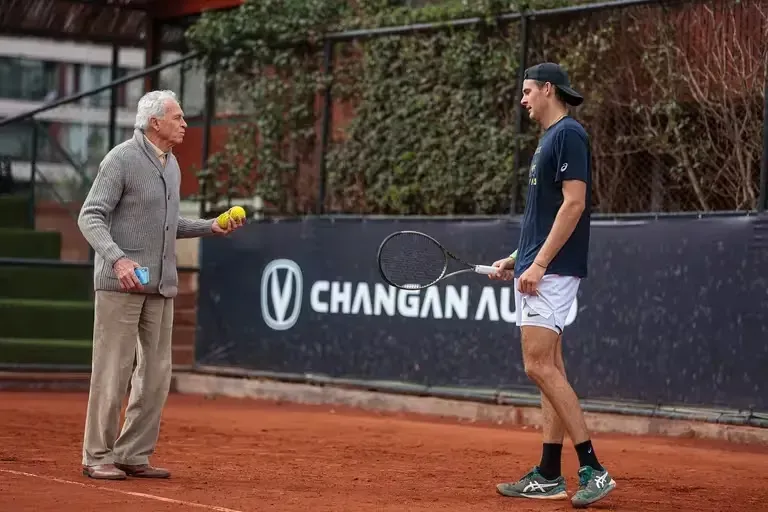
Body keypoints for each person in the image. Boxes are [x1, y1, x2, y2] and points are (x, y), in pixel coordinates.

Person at [77, 90, 244, 480]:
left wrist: (210, 226)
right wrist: (117, 260)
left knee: (155, 375)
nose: (185, 124)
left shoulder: (171, 165)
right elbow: (90, 215)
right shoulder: (120, 159)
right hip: (120, 284)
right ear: (155, 122)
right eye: (178, 117)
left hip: (160, 286)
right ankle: (96, 455)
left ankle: (132, 453)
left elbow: (170, 226)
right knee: (113, 372)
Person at [489, 63, 616, 508]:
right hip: (543, 267)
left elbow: (574, 204)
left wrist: (539, 264)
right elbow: (542, 218)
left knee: (537, 365)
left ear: (548, 89)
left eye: (527, 91)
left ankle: (593, 469)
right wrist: (515, 258)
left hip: (555, 272)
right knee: (550, 372)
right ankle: (547, 472)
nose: (522, 100)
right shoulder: (547, 142)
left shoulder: (569, 135)